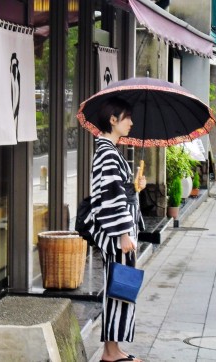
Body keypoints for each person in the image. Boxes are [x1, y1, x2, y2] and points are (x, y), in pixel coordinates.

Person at [90, 97, 146, 362]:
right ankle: (110, 353)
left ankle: (113, 349)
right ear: (113, 119)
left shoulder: (109, 151)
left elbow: (118, 192)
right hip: (117, 236)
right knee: (118, 290)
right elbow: (110, 197)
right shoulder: (107, 153)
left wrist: (136, 187)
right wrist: (123, 233)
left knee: (120, 289)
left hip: (119, 232)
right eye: (127, 118)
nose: (131, 123)